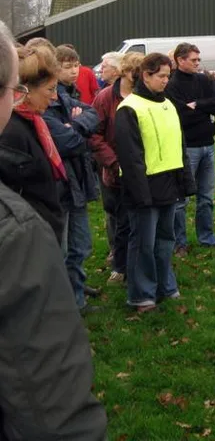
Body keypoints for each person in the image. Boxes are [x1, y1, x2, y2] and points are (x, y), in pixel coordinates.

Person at [0, 22, 108, 441]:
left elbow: (84, 124)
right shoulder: (17, 132)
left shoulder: (35, 121)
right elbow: (50, 403)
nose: (54, 97)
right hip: (38, 228)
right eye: (15, 89)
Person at [115, 53, 195, 313]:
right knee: (143, 244)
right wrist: (142, 195)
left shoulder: (168, 104)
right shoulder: (129, 108)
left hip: (168, 184)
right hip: (144, 187)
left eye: (168, 76)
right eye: (161, 76)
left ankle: (165, 286)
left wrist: (185, 182)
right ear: (146, 75)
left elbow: (179, 146)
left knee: (165, 240)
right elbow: (130, 157)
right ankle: (142, 295)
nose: (166, 81)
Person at [44, 45, 101, 313]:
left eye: (76, 65)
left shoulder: (67, 95)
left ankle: (76, 290)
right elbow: (66, 142)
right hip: (60, 183)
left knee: (81, 244)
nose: (74, 71)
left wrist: (75, 126)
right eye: (67, 67)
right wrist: (78, 129)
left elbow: (93, 114)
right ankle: (68, 301)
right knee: (62, 248)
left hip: (77, 178)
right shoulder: (49, 102)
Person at [0, 46, 65, 240]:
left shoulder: (33, 121)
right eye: (50, 89)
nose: (55, 97)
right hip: (31, 238)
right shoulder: (12, 132)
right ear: (26, 90)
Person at [166, 42, 215, 251]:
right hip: (187, 148)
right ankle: (179, 242)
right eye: (193, 60)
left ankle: (207, 237)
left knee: (206, 197)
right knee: (181, 199)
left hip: (208, 145)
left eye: (198, 59)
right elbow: (181, 116)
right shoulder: (172, 85)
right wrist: (205, 112)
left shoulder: (204, 80)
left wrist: (198, 104)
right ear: (180, 60)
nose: (197, 63)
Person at [90, 52, 143, 284]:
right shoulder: (105, 98)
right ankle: (119, 263)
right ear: (125, 71)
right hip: (115, 170)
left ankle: (140, 263)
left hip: (142, 169)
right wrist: (113, 162)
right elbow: (94, 134)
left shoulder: (145, 95)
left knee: (141, 219)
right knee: (119, 219)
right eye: (135, 73)